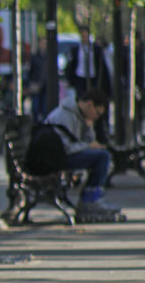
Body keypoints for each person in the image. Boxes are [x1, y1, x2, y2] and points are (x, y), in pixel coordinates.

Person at [43, 89, 121, 218]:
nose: (96, 117)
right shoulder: (65, 116)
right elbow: (65, 147)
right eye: (97, 112)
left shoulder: (79, 116)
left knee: (102, 154)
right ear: (90, 104)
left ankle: (92, 197)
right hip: (54, 159)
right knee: (102, 157)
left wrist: (89, 128)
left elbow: (87, 141)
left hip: (61, 156)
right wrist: (88, 146)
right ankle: (90, 200)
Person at [66, 26, 111, 143]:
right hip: (80, 80)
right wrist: (71, 81)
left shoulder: (96, 50)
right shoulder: (76, 49)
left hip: (94, 79)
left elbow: (103, 68)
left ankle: (100, 134)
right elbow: (71, 66)